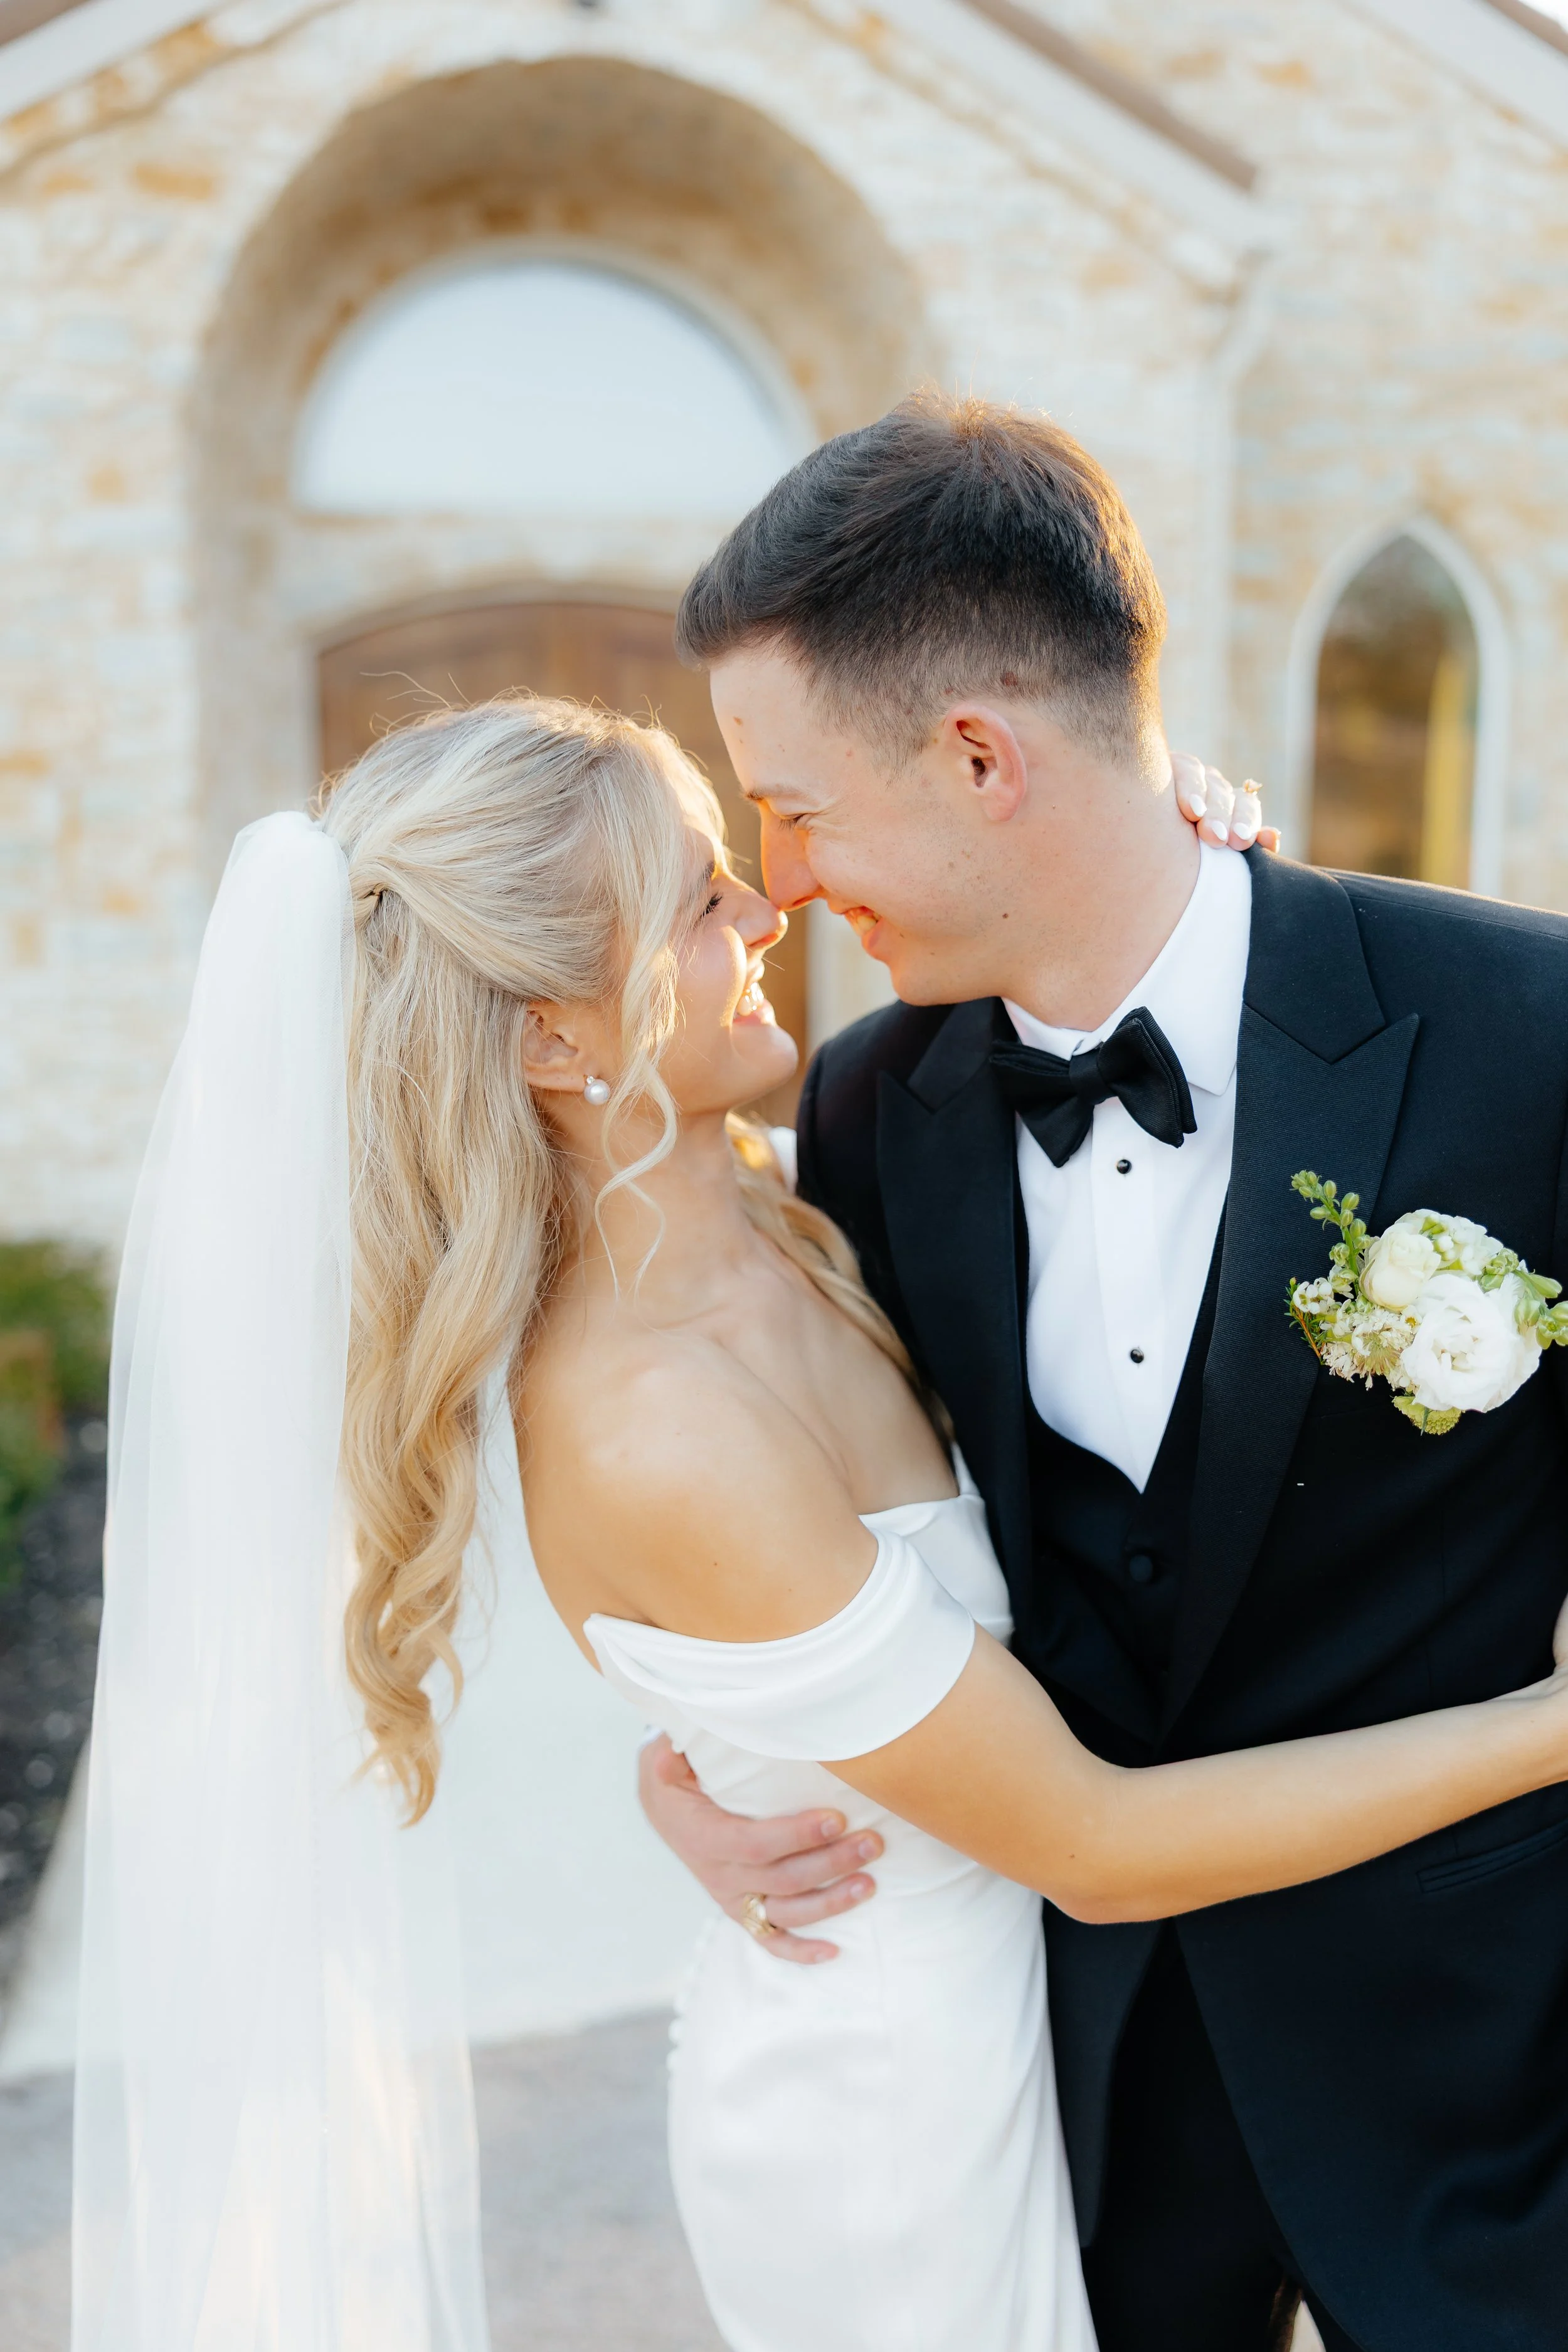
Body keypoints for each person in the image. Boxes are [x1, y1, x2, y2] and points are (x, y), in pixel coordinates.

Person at [82, 686, 1568, 2352]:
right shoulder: (657, 1428)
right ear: (555, 1038)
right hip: (895, 2114)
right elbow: (1085, 1839)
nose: (764, 907)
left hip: (1066, 2045)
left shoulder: (808, 1186)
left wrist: (1149, 845)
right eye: (699, 898)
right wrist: (1547, 1727)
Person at [636, 391, 1568, 2352]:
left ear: (979, 751)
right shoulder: (868, 1106)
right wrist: (700, 1776)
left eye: (792, 806)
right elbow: (802, 1506)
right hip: (1083, 2094)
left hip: (1499, 2074)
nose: (778, 881)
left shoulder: (1526, 1029)